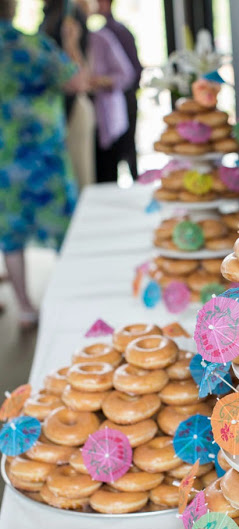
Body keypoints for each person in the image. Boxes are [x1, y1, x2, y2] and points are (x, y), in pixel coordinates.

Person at [0, 0, 86, 328]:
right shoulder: (32, 45)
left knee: (10, 234)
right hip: (42, 155)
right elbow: (76, 82)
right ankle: (71, 296)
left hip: (5, 161)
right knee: (63, 228)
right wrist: (72, 43)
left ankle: (24, 307)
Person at [40, 0, 96, 190]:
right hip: (57, 111)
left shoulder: (70, 14)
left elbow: (81, 78)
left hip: (74, 107)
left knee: (79, 177)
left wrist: (70, 42)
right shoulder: (49, 14)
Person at [97, 0, 143, 180]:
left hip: (123, 96)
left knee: (124, 148)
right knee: (127, 148)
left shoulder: (110, 33)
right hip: (126, 96)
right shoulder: (115, 30)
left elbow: (132, 71)